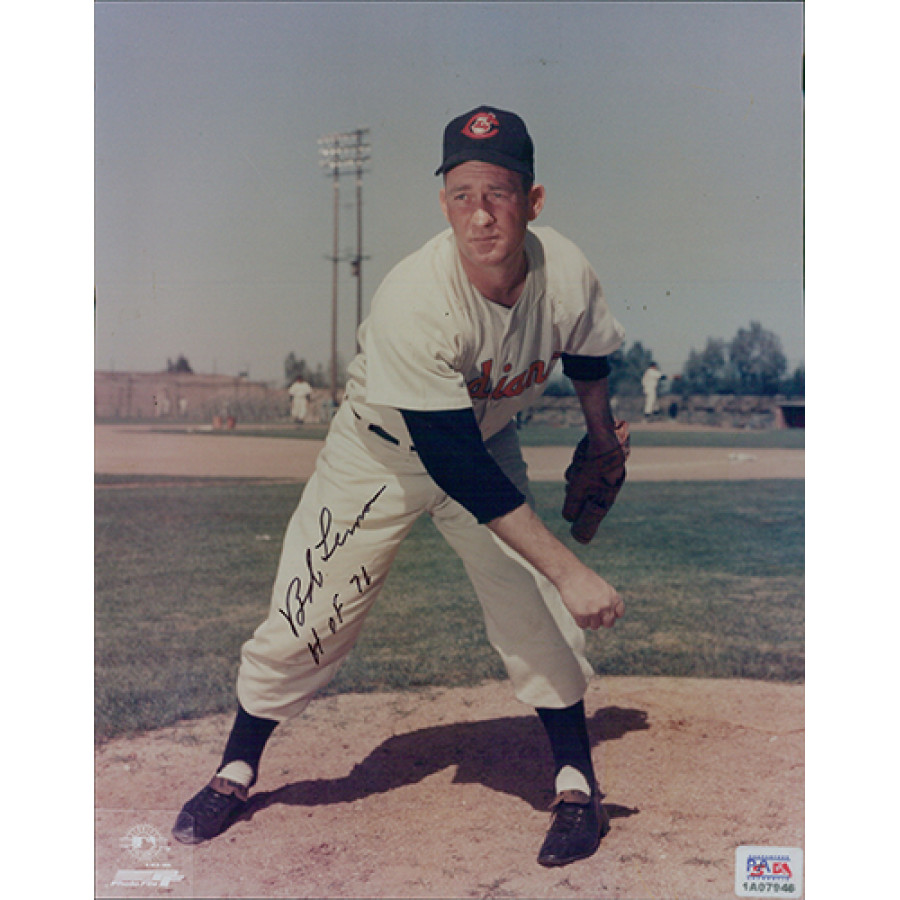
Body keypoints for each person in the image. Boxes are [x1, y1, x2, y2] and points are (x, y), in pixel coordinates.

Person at [172, 106, 628, 868]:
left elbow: (586, 351)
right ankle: (236, 769)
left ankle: (577, 783)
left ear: (533, 200)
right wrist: (570, 567)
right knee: (309, 613)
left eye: (499, 194)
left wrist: (603, 436)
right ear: (443, 203)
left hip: (484, 442)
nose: (480, 216)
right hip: (379, 456)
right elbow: (453, 464)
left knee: (533, 608)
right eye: (462, 196)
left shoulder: (566, 272)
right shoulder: (415, 296)